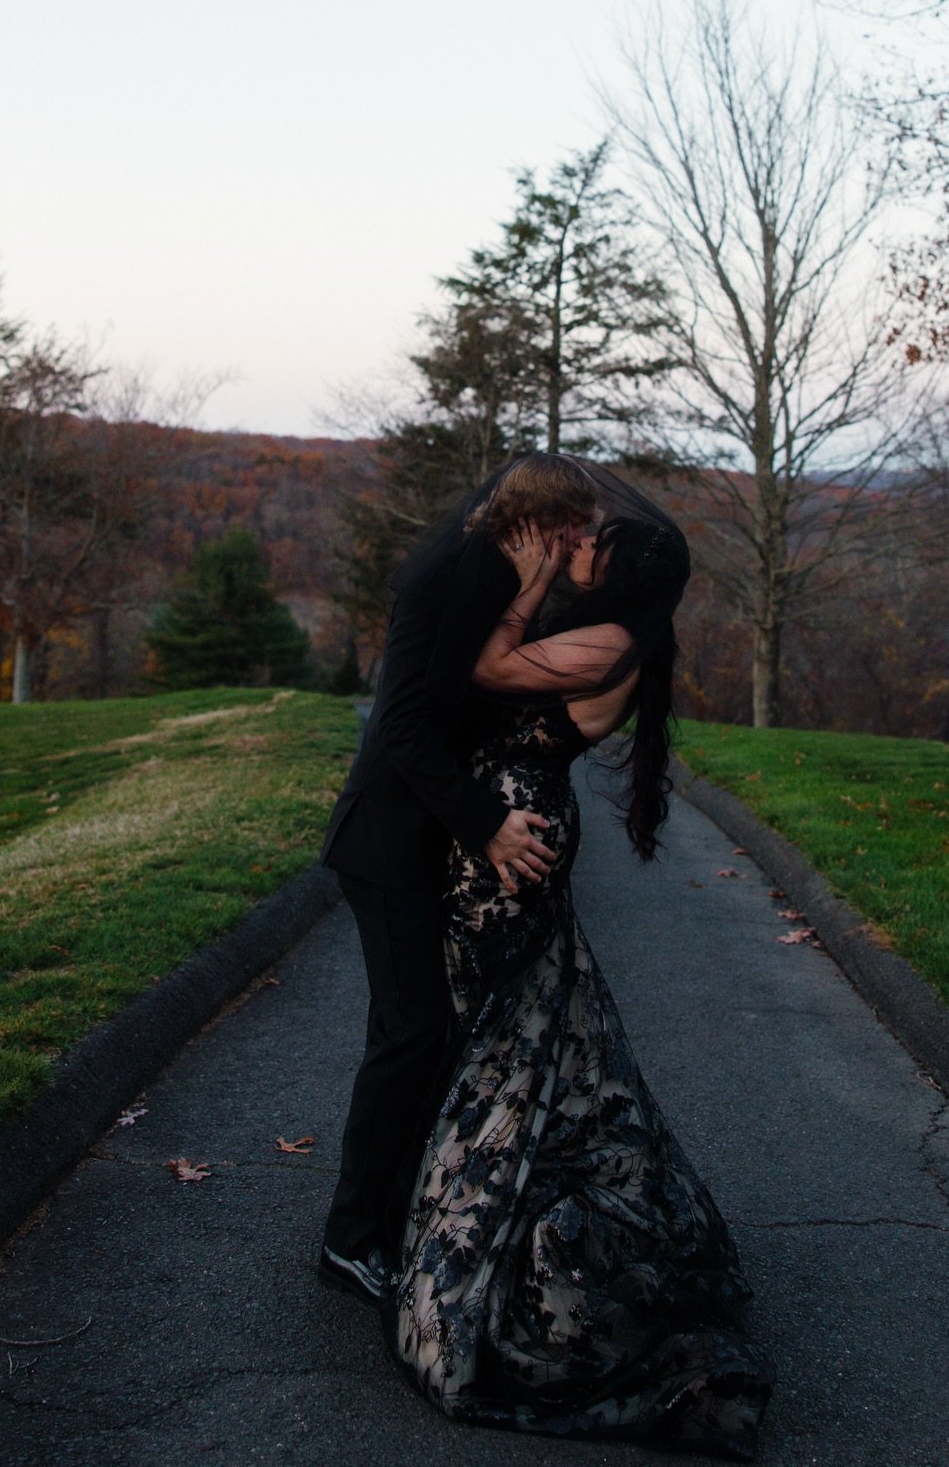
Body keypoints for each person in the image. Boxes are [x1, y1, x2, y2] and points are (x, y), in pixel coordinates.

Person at [388, 470, 775, 1459]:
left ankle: (491, 1251)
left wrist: (522, 580)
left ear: (622, 575)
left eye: (594, 542)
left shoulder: (610, 642)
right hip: (500, 843)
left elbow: (486, 666)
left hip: (512, 855)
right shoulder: (610, 631)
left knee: (511, 1052)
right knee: (517, 1047)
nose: (582, 543)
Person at [317, 452, 599, 1303]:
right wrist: (485, 823)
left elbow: (473, 690)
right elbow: (402, 724)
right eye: (570, 531)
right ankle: (349, 1237)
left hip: (414, 841)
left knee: (421, 1031)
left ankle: (393, 1209)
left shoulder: (489, 568)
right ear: (539, 523)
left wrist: (530, 590)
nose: (578, 545)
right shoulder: (457, 571)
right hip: (385, 840)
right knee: (409, 1031)